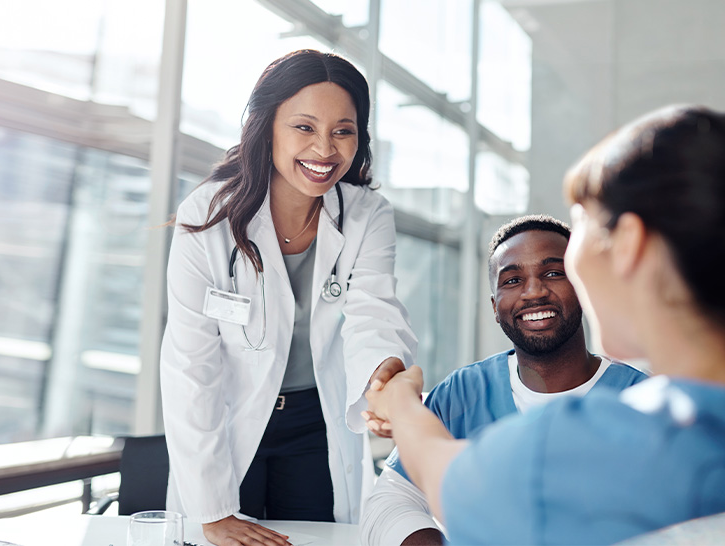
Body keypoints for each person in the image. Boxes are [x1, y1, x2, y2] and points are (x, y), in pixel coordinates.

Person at [366, 104, 725, 544]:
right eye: (513, 279)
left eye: (582, 224)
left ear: (629, 244)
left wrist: (401, 404)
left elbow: (454, 483)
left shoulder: (604, 438)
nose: (535, 290)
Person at [160, 49, 417, 546]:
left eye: (343, 130)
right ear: (267, 126)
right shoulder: (208, 216)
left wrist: (384, 377)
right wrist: (212, 511)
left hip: (315, 424)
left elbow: (374, 313)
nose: (325, 149)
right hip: (228, 418)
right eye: (304, 127)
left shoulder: (366, 215)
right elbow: (191, 364)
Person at [359, 215, 647, 545]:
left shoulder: (642, 401)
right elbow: (391, 499)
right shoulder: (462, 393)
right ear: (496, 307)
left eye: (553, 273)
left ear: (583, 288)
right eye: (512, 280)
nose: (534, 292)